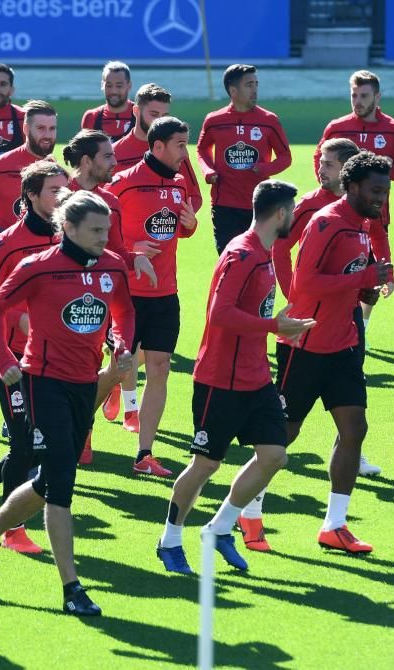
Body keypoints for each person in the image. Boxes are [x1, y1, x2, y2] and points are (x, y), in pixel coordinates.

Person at [0, 190, 135, 617]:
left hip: (85, 382)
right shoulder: (37, 267)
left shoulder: (112, 265)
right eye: (95, 231)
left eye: (106, 229)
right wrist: (3, 358)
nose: (103, 237)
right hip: (43, 382)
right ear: (69, 228)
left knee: (48, 482)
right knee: (60, 488)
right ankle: (72, 588)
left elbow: (125, 310)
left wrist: (122, 343)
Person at [156, 180, 314, 574]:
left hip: (255, 377)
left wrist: (275, 328)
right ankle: (170, 540)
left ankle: (220, 527)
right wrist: (272, 324)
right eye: (291, 211)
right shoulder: (242, 255)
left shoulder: (263, 253)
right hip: (219, 379)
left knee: (274, 455)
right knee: (205, 466)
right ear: (280, 213)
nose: (293, 217)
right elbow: (219, 314)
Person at [271, 152, 394, 554]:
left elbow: (343, 280)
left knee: (354, 429)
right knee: (282, 436)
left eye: (385, 191)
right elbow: (306, 285)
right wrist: (359, 278)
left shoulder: (362, 225)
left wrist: (363, 291)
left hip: (342, 342)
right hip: (305, 343)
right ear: (353, 186)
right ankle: (246, 509)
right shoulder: (326, 222)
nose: (382, 198)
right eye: (376, 190)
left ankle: (335, 525)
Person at [0, 161, 68, 553]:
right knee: (25, 444)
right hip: (11, 359)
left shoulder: (67, 237)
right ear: (31, 196)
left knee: (41, 445)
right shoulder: (8, 243)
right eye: (54, 190)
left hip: (55, 357)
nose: (62, 196)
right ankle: (12, 532)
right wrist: (19, 317)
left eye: (65, 188)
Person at [107, 117, 198, 477]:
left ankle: (145, 453)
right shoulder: (123, 185)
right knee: (120, 366)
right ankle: (82, 432)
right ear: (157, 146)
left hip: (165, 293)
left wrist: (190, 226)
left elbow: (177, 230)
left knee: (160, 368)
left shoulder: (178, 185)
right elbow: (96, 234)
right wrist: (131, 248)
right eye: (179, 144)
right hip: (128, 294)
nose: (184, 153)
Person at [63, 129, 156, 461]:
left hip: (98, 301)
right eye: (107, 156)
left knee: (104, 368)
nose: (115, 162)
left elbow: (114, 252)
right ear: (87, 161)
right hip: (56, 302)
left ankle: (83, 430)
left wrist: (135, 258)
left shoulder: (111, 202)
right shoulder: (59, 194)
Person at [314, 70, 394, 337]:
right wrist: (330, 186)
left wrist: (380, 168)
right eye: (354, 95)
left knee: (370, 274)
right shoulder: (337, 127)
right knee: (341, 268)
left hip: (375, 214)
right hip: (339, 214)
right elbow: (318, 158)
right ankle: (335, 320)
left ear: (377, 97)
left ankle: (362, 325)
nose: (357, 101)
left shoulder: (393, 129)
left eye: (364, 96)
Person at [197, 64, 292, 254]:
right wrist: (208, 172)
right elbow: (202, 149)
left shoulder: (269, 120)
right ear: (233, 90)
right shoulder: (214, 120)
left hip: (260, 204)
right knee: (230, 259)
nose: (255, 89)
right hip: (224, 205)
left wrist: (264, 168)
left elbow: (285, 157)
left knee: (259, 260)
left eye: (256, 83)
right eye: (249, 85)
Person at [111, 84, 202, 212]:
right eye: (154, 114)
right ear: (136, 111)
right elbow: (100, 198)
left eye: (164, 115)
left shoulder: (174, 148)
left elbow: (194, 196)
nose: (159, 120)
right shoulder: (113, 153)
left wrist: (176, 220)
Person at [0, 100, 57, 230]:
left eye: (52, 129)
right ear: (26, 129)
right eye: (41, 128)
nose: (47, 135)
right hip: (5, 249)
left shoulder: (55, 170)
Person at [80, 61, 134, 142]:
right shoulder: (91, 117)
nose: (114, 91)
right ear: (102, 85)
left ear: (129, 85)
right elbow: (84, 152)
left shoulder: (141, 115)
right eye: (109, 85)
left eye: (119, 86)